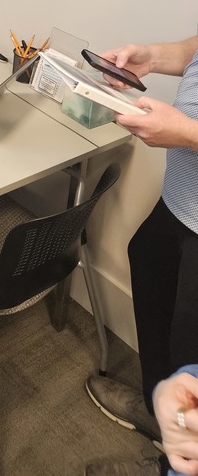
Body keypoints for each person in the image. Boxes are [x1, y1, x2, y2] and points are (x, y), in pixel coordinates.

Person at [83, 36, 198, 476]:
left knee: (193, 365)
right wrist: (153, 58)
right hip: (181, 202)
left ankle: (176, 463)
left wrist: (188, 133)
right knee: (150, 274)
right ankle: (160, 416)